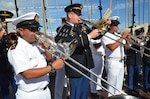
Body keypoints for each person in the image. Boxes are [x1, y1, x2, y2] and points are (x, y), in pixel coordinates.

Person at [7, 12, 64, 99]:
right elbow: (27, 74)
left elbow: (49, 58)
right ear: (21, 31)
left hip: (45, 91)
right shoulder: (17, 48)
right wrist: (52, 67)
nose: (36, 32)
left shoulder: (36, 44)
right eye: (32, 29)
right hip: (30, 95)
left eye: (37, 29)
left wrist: (46, 48)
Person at [55, 3, 103, 99]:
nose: (80, 16)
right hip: (75, 68)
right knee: (76, 94)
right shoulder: (65, 29)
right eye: (78, 14)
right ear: (70, 15)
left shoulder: (81, 27)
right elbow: (69, 44)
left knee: (84, 93)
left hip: (85, 65)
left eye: (80, 14)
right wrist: (89, 36)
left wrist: (102, 27)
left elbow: (96, 36)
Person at [101, 16, 130, 97]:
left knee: (119, 86)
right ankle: (111, 97)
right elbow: (112, 47)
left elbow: (126, 48)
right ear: (110, 26)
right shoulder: (106, 36)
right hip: (112, 62)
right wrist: (123, 37)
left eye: (117, 25)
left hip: (121, 61)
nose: (117, 27)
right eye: (115, 25)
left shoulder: (118, 35)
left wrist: (128, 39)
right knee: (112, 85)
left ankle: (118, 97)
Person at [0, 10, 17, 99]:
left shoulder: (12, 32)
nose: (4, 22)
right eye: (2, 20)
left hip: (12, 66)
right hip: (2, 66)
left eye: (6, 20)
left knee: (16, 89)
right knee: (5, 90)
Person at [125, 27, 143, 94]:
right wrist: (129, 39)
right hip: (131, 59)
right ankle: (130, 88)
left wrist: (136, 39)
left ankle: (135, 87)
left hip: (138, 59)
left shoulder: (138, 39)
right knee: (130, 74)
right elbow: (127, 48)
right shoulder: (127, 39)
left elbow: (142, 44)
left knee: (137, 74)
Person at [54, 17, 68, 99]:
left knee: (66, 80)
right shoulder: (60, 29)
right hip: (60, 57)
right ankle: (58, 97)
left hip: (67, 57)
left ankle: (67, 95)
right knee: (60, 79)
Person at [143, 25, 150, 93]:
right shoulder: (147, 37)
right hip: (147, 58)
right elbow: (144, 42)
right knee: (146, 74)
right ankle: (146, 87)